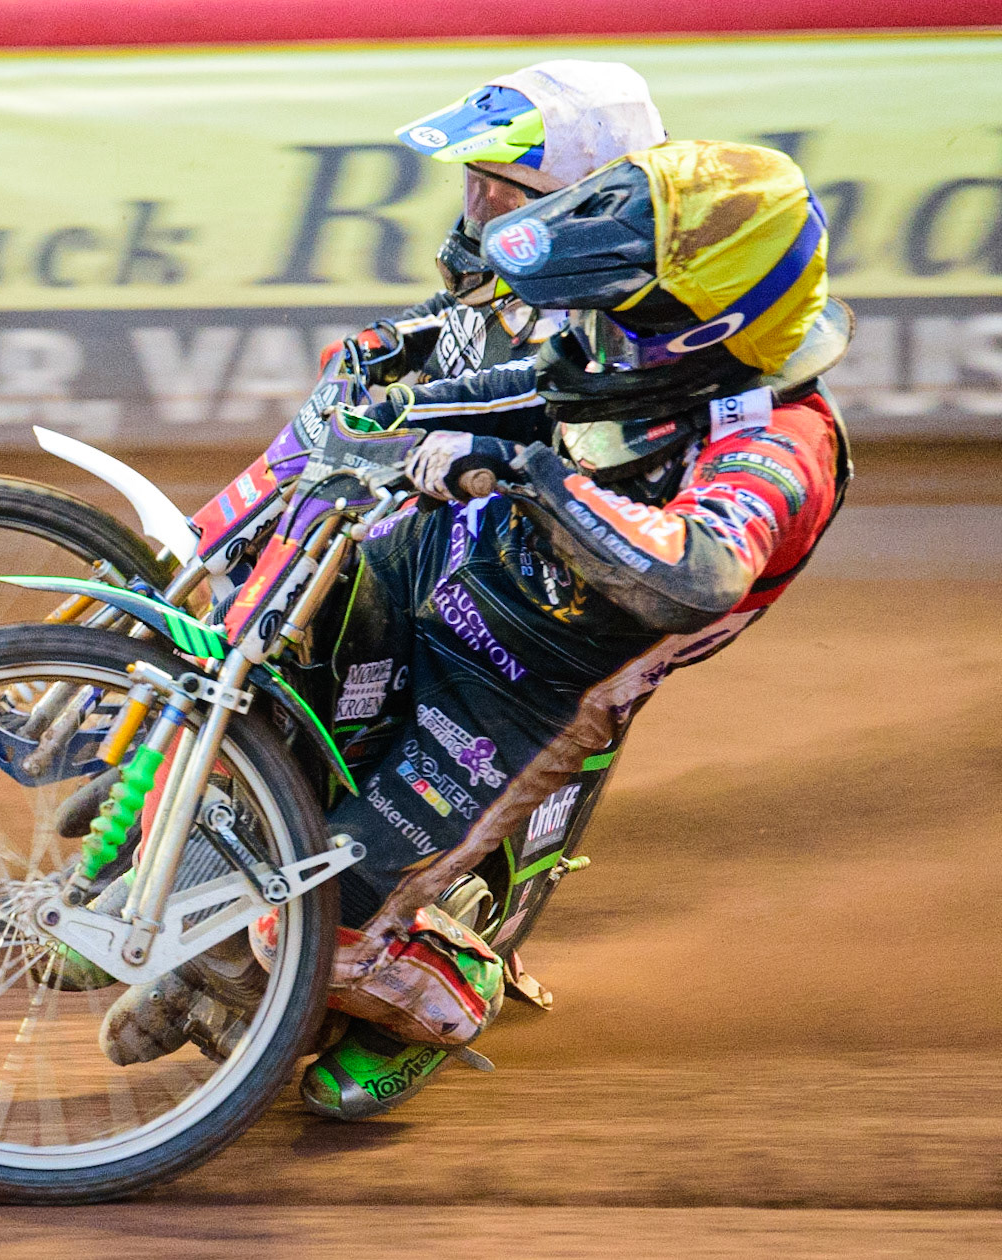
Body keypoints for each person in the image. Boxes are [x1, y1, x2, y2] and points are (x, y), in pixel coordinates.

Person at [120, 140, 854, 1123]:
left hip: (530, 688)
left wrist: (528, 475)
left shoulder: (782, 441)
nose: (601, 319)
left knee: (316, 917)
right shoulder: (634, 344)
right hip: (438, 565)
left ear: (703, 322)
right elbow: (532, 387)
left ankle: (451, 981)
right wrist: (388, 413)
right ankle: (215, 946)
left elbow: (699, 571)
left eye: (631, 301)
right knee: (272, 725)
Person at [348, 60, 666, 384]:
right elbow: (459, 312)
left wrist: (418, 422)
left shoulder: (607, 327)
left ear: (576, 204)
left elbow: (521, 401)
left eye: (506, 196)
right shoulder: (521, 283)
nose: (487, 205)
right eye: (479, 187)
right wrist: (388, 340)